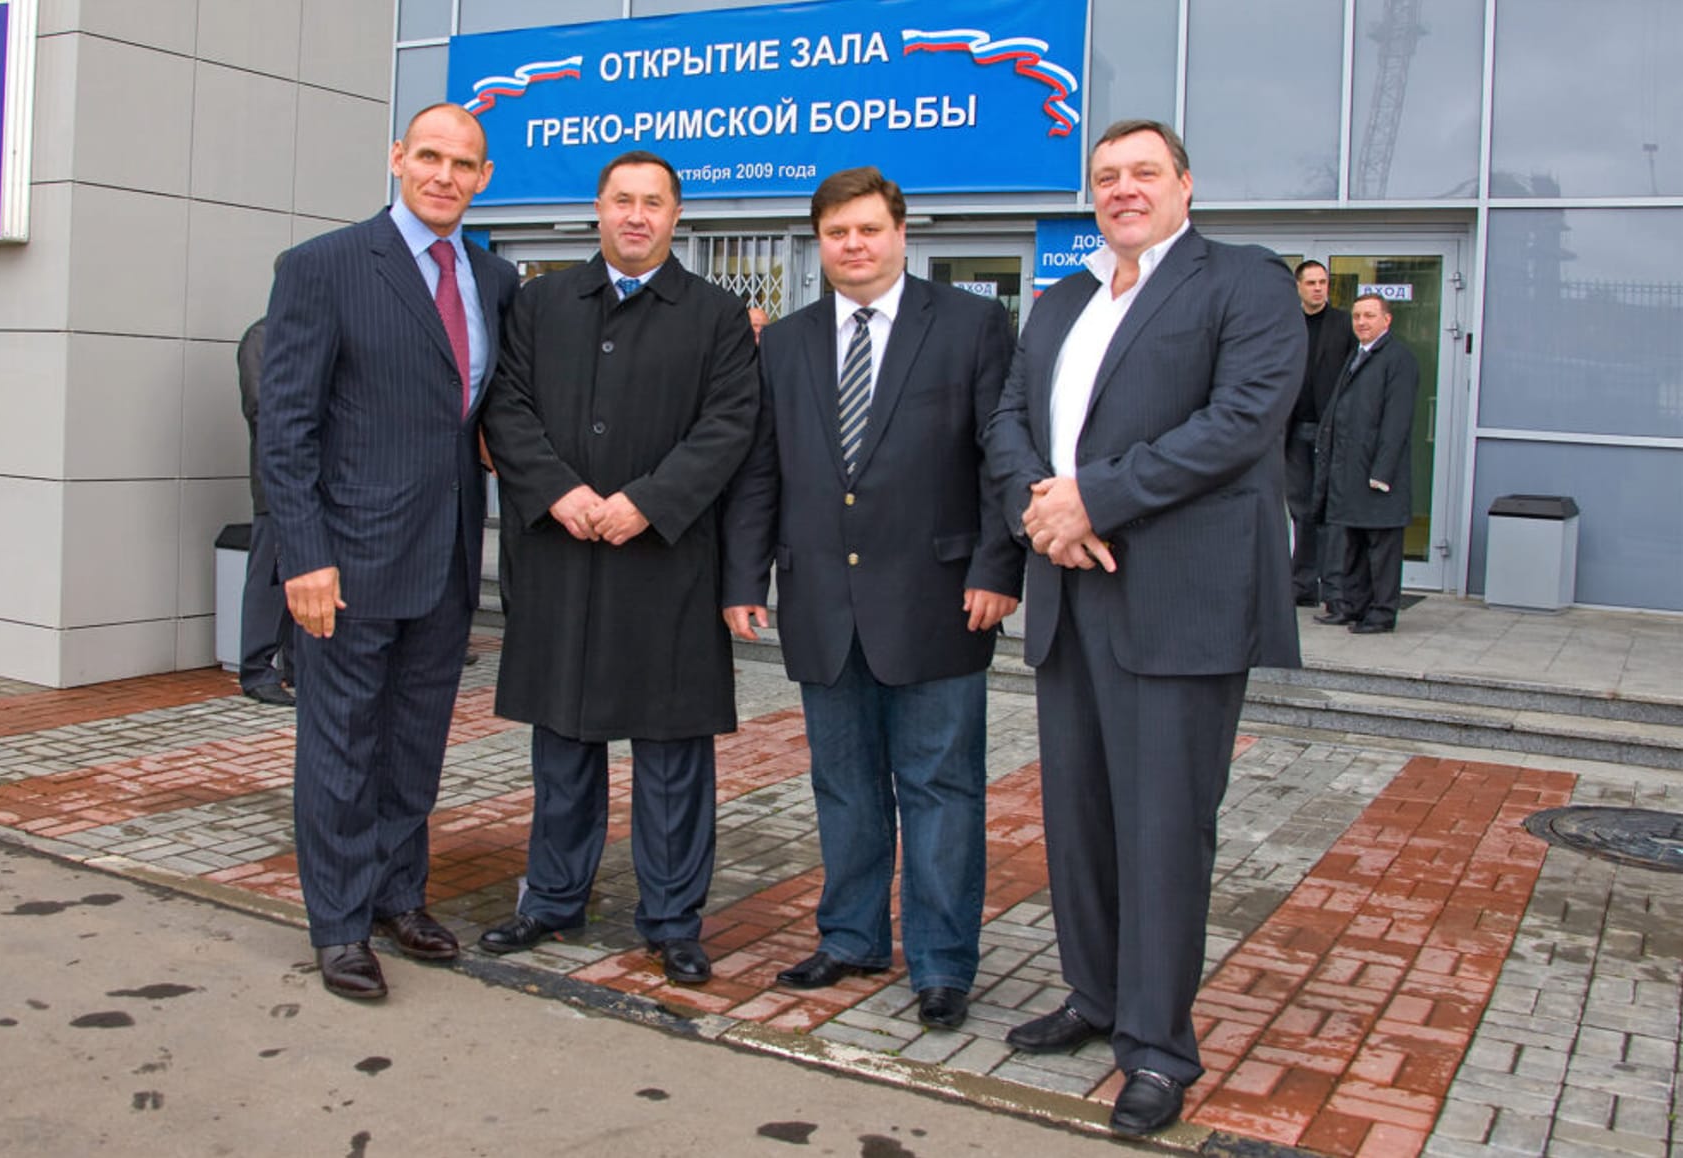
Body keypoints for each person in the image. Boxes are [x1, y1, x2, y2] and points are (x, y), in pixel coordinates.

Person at [981, 120, 1303, 1137]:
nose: (1123, 189)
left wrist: (1094, 498)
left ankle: (1157, 1048)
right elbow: (1006, 421)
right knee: (1078, 820)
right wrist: (1042, 508)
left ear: (1184, 184)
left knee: (1162, 829)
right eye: (1106, 176)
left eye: (1143, 173)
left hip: (1178, 602)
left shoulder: (1242, 281)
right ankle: (1094, 996)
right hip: (1069, 588)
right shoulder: (1064, 299)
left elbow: (1239, 421)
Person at [721, 168, 1022, 1030]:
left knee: (941, 790)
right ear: (819, 243)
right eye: (836, 233)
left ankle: (942, 963)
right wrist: (743, 579)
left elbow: (1001, 455)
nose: (853, 245)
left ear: (900, 233)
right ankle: (852, 937)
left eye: (868, 229)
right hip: (821, 600)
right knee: (844, 787)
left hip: (941, 600)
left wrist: (1000, 566)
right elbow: (761, 470)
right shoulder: (785, 343)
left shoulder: (970, 325)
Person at [477, 150, 759, 987]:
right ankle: (552, 899)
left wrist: (647, 501)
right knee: (563, 743)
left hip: (665, 564)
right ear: (597, 208)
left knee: (672, 756)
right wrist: (559, 491)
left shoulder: (716, 316)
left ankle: (672, 921)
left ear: (677, 216)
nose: (637, 216)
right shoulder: (539, 302)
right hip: (563, 556)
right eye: (622, 200)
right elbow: (506, 406)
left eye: (653, 202)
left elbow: (729, 426)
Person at [257, 102, 519, 1000]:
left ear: (485, 179)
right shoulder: (323, 267)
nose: (446, 176)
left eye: (465, 164)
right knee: (340, 749)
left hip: (445, 559)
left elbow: (483, 414)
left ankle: (397, 896)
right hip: (347, 563)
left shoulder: (495, 279)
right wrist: (304, 556)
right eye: (431, 156)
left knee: (415, 743)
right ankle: (338, 925)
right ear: (398, 158)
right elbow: (286, 429)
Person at [1311, 293, 1418, 634]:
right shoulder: (1357, 355)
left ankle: (1382, 613)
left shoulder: (1398, 359)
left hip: (1377, 475)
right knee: (1354, 544)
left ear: (1387, 319)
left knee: (1382, 549)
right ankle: (1354, 607)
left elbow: (1397, 422)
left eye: (1369, 316)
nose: (1361, 322)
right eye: (1357, 316)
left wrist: (1382, 472)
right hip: (1349, 471)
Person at [235, 294, 296, 707]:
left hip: (315, 484)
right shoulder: (262, 336)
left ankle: (297, 666)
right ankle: (256, 670)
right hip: (277, 482)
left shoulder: (306, 334)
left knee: (302, 575)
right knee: (268, 579)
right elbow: (262, 408)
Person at [1286, 261, 1355, 607]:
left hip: (1331, 432)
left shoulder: (1343, 324)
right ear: (1298, 287)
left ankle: (1333, 587)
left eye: (1323, 282)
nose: (1318, 288)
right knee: (1301, 511)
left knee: (1328, 511)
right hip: (1295, 431)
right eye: (1311, 282)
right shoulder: (1287, 325)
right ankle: (1302, 586)